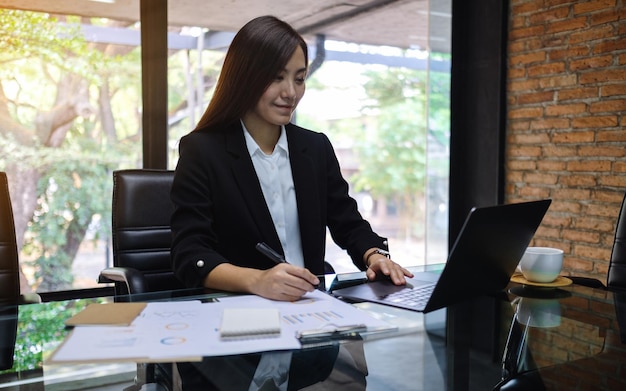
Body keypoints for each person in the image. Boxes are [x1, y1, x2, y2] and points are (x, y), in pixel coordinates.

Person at [170, 15, 413, 302]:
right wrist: (257, 280)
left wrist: (375, 256)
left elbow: (348, 223)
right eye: (276, 78)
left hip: (311, 307)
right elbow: (190, 252)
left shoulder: (315, 148)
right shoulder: (202, 151)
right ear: (245, 76)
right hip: (240, 310)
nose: (291, 93)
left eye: (299, 79)